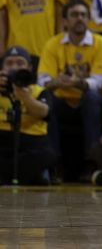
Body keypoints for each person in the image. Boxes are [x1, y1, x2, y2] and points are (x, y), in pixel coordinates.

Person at [37, 0, 102, 178]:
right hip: (62, 101)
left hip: (86, 102)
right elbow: (42, 81)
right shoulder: (52, 44)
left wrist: (76, 82)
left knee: (92, 98)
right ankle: (54, 164)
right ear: (65, 21)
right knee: (46, 99)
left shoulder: (101, 43)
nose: (79, 19)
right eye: (74, 15)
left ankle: (92, 162)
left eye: (83, 15)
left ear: (89, 19)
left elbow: (98, 83)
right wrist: (59, 82)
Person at [0, 46, 56, 185]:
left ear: (29, 68)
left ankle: (8, 177)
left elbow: (44, 112)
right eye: (9, 63)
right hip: (2, 141)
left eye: (20, 63)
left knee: (47, 155)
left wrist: (26, 97)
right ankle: (29, 177)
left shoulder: (39, 91)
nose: (14, 68)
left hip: (30, 143)